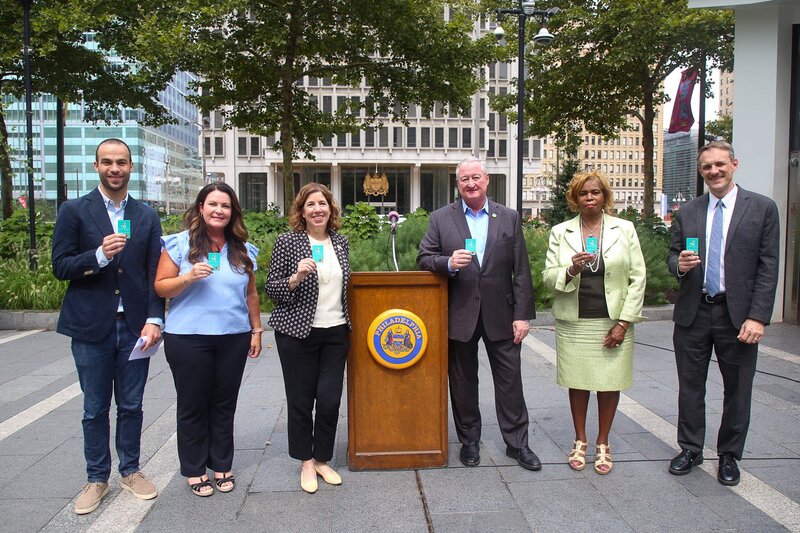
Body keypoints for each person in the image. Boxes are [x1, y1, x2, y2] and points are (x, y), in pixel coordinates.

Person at [52, 138, 164, 514]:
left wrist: (154, 318)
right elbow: (60, 266)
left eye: (121, 162)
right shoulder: (74, 211)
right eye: (107, 162)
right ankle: (96, 478)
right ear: (97, 166)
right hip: (90, 327)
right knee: (95, 408)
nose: (114, 168)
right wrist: (98, 255)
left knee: (132, 405)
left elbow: (153, 273)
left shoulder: (146, 215)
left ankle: (130, 470)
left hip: (134, 327)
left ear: (131, 168)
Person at [667, 141, 780, 486]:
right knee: (690, 387)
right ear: (701, 172)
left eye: (719, 165)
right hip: (694, 312)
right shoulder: (688, 211)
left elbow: (768, 266)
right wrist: (680, 266)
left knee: (738, 388)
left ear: (734, 164)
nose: (713, 172)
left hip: (739, 316)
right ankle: (690, 448)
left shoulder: (761, 208)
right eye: (706, 167)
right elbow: (672, 257)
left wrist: (758, 317)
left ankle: (729, 455)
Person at [417, 157, 540, 471]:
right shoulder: (441, 218)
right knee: (462, 381)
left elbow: (521, 270)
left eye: (475, 177)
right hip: (460, 314)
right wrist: (447, 262)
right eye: (464, 180)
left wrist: (523, 315)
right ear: (457, 184)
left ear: (487, 180)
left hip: (503, 313)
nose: (470, 184)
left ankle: (518, 445)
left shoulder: (509, 217)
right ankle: (469, 441)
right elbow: (424, 258)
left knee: (510, 382)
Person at [154, 182, 262, 497]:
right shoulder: (179, 245)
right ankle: (194, 468)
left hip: (233, 337)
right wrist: (187, 277)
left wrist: (256, 330)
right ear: (201, 207)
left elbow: (251, 292)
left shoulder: (243, 249)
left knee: (224, 404)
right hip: (188, 338)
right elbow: (161, 287)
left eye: (225, 206)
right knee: (193, 404)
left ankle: (222, 463)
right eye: (213, 204)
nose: (219, 211)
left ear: (233, 212)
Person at [542, 171, 646, 475]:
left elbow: (638, 278)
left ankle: (603, 442)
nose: (590, 198)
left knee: (609, 382)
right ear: (575, 198)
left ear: (605, 196)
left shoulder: (624, 229)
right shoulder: (561, 232)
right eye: (584, 193)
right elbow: (549, 278)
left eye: (596, 192)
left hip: (612, 319)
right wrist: (571, 269)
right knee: (578, 381)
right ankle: (580, 439)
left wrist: (624, 322)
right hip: (575, 321)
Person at [265, 183, 351, 494]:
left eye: (322, 203)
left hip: (336, 331)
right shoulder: (288, 242)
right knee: (301, 401)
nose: (317, 209)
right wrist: (295, 277)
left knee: (329, 400)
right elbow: (271, 289)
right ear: (302, 211)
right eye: (310, 204)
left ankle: (321, 459)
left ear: (331, 209)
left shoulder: (340, 242)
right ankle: (305, 461)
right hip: (297, 334)